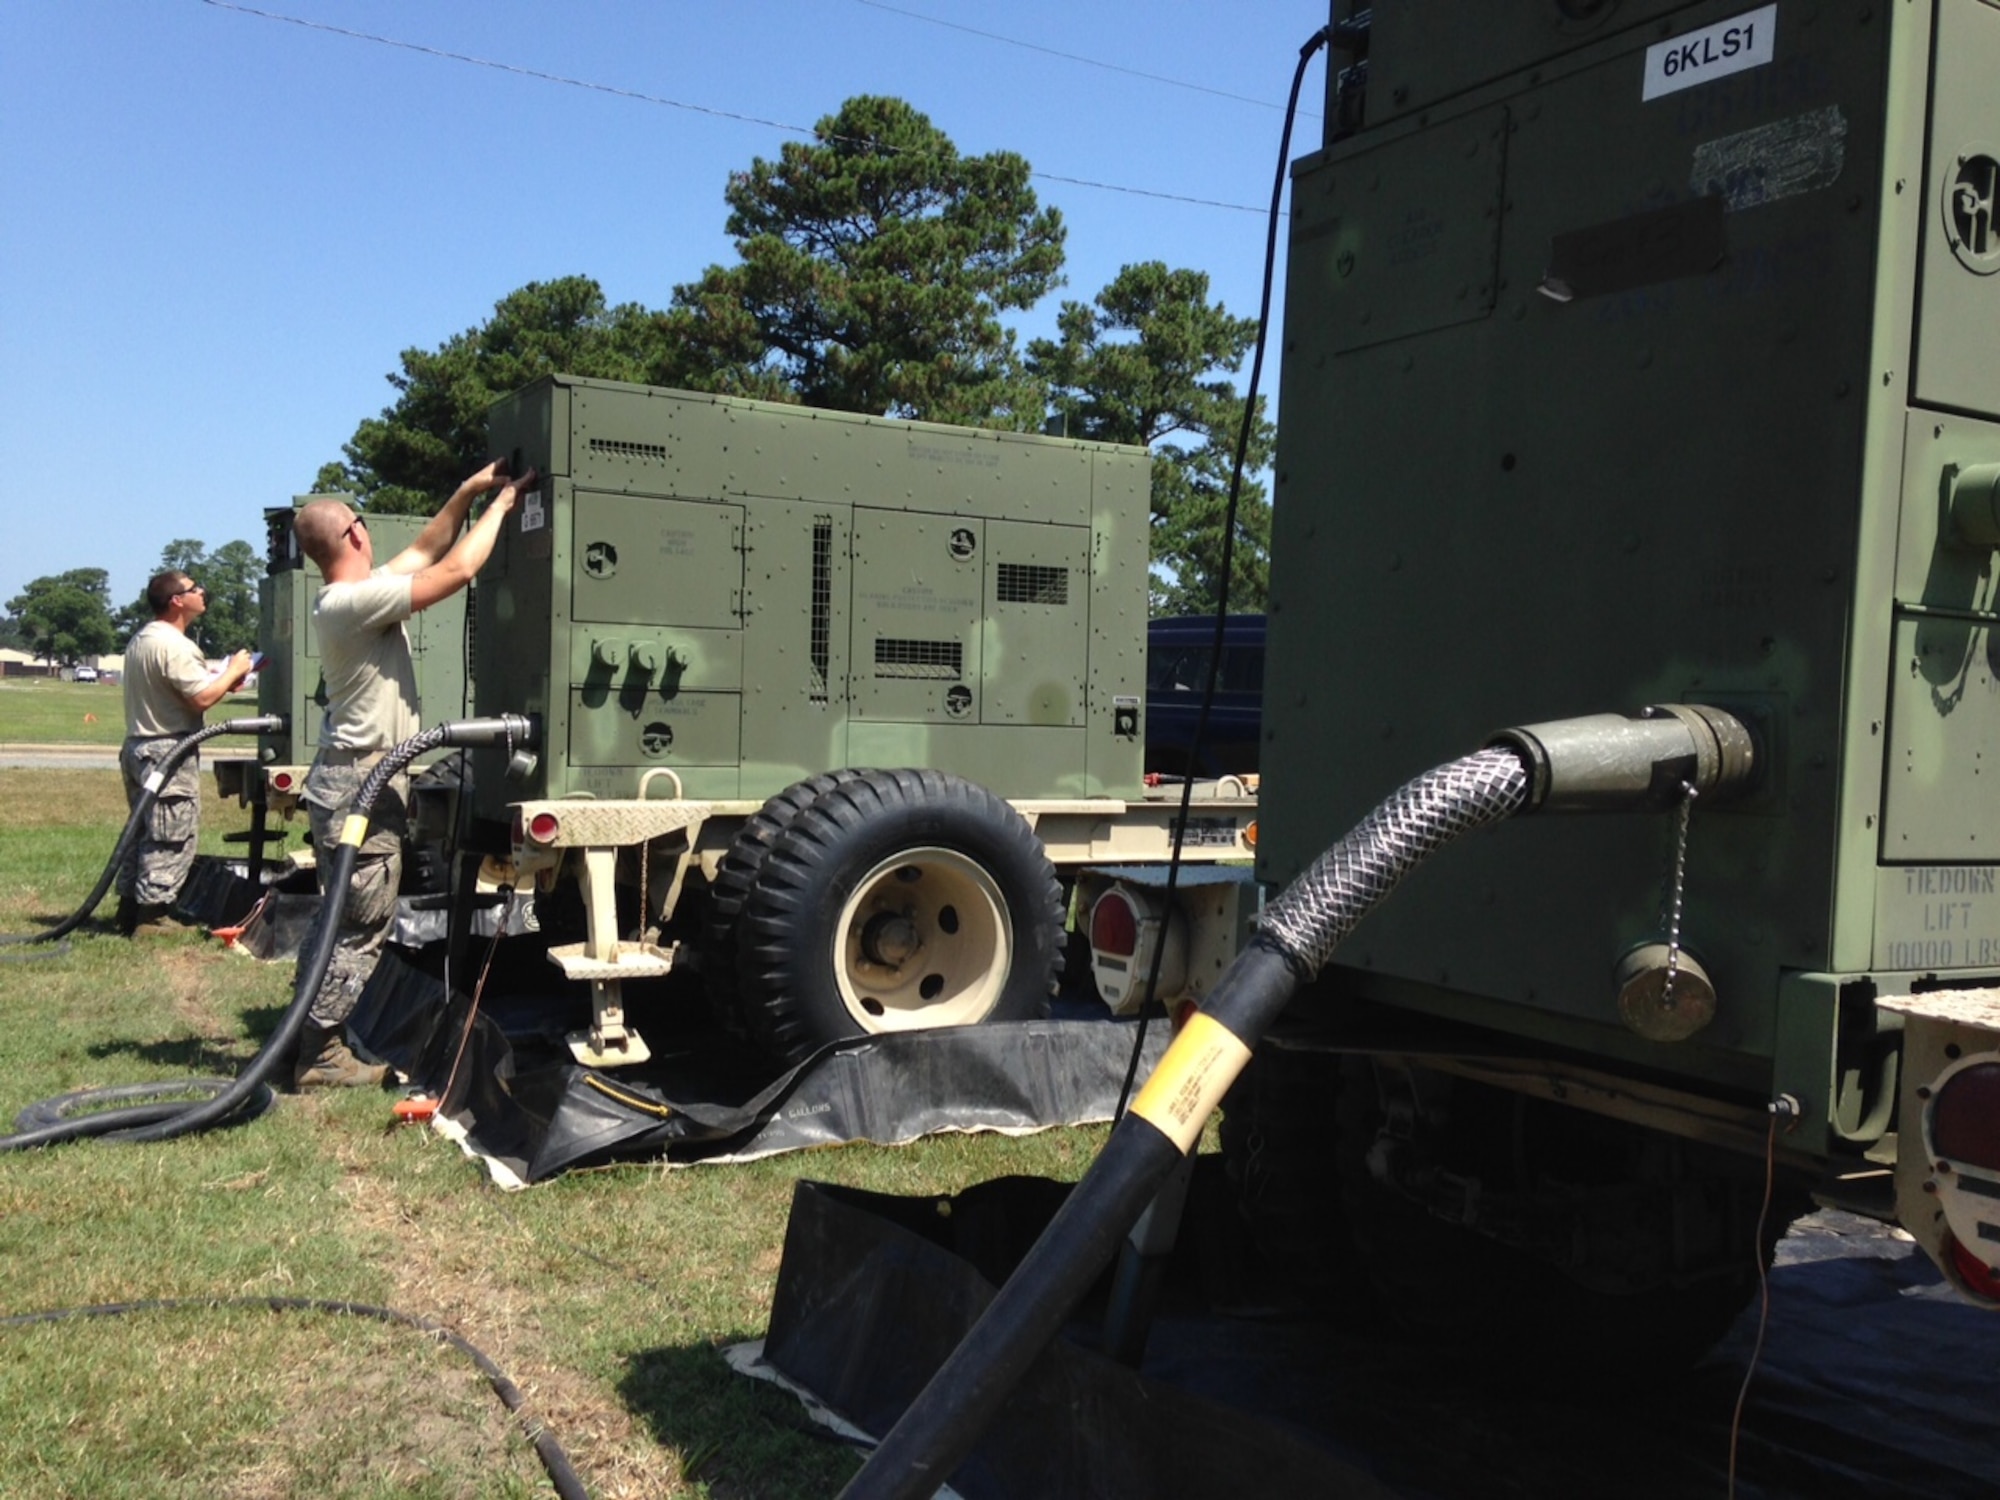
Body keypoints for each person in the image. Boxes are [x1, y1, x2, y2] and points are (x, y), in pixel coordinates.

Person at [287, 461, 537, 1088]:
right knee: (361, 923)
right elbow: (454, 570)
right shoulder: (353, 602)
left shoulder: (349, 594)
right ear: (353, 535)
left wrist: (467, 492)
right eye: (362, 520)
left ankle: (308, 1032)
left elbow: (427, 549)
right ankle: (317, 1053)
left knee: (342, 914)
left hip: (355, 777)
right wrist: (503, 507)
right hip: (361, 783)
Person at [116, 572, 254, 935]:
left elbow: (185, 686)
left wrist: (222, 678)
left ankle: (129, 907)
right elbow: (202, 698)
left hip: (138, 747)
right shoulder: (175, 645)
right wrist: (236, 669)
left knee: (144, 831)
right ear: (177, 600)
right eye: (194, 589)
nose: (202, 592)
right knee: (170, 834)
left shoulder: (143, 638)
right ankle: (153, 917)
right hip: (168, 749)